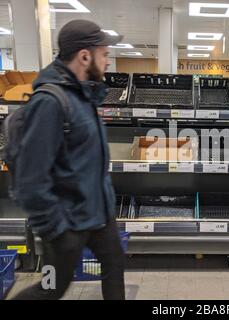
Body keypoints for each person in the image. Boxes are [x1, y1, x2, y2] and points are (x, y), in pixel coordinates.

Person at [12, 20, 125, 300]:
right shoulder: (50, 102)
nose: (108, 61)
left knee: (115, 265)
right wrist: (56, 229)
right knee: (50, 289)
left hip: (98, 215)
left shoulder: (84, 95)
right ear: (85, 56)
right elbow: (30, 179)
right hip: (66, 224)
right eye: (104, 54)